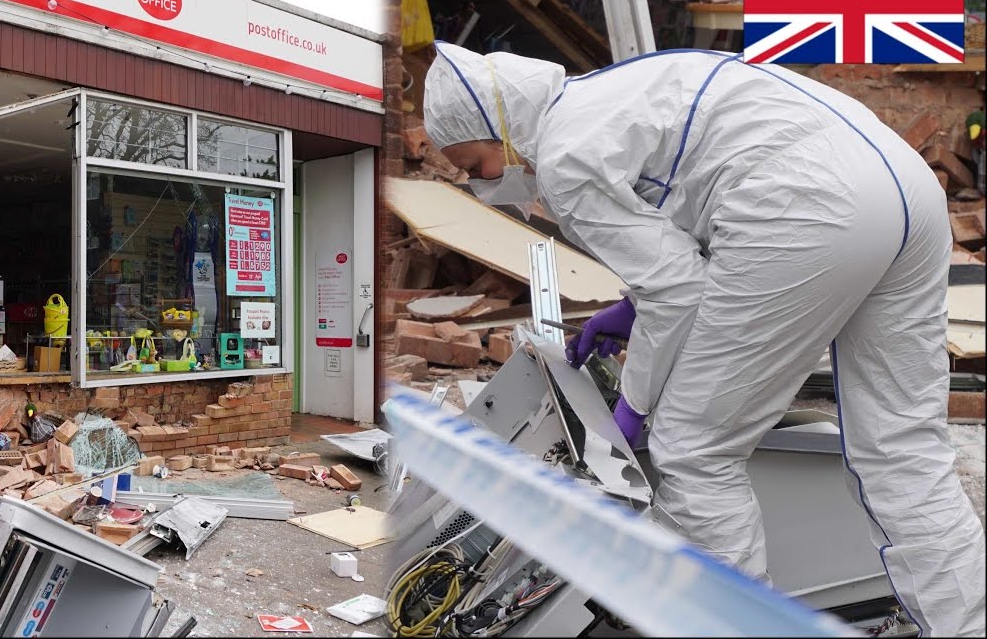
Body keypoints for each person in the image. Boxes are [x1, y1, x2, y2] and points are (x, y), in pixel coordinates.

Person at [421, 41, 986, 637]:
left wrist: (634, 405)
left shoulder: (563, 156)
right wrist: (632, 307)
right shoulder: (609, 92)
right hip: (904, 187)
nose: (481, 183)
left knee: (693, 451)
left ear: (502, 127)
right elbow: (692, 219)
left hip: (807, 209)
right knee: (903, 447)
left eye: (475, 164)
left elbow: (678, 293)